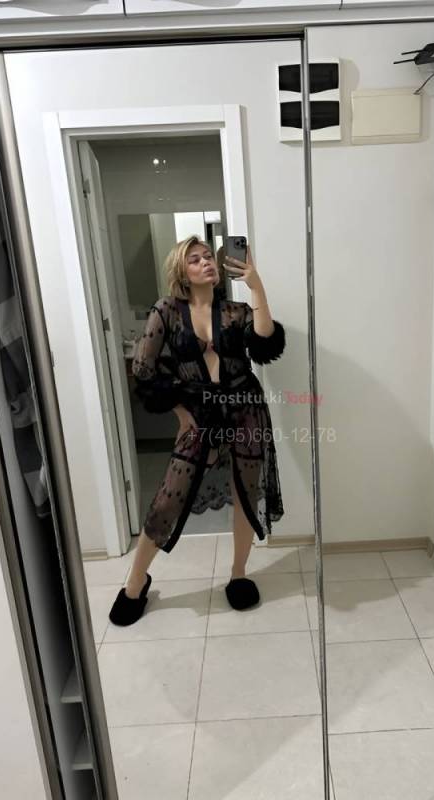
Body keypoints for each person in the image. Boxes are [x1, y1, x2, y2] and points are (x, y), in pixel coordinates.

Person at [109, 235, 286, 626]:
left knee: (245, 494)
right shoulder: (167, 310)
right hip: (200, 416)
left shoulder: (237, 311)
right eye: (195, 259)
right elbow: (144, 369)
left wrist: (256, 285)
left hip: (245, 410)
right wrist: (178, 409)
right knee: (167, 501)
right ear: (181, 270)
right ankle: (136, 580)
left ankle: (238, 574)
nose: (206, 262)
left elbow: (265, 345)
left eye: (208, 256)